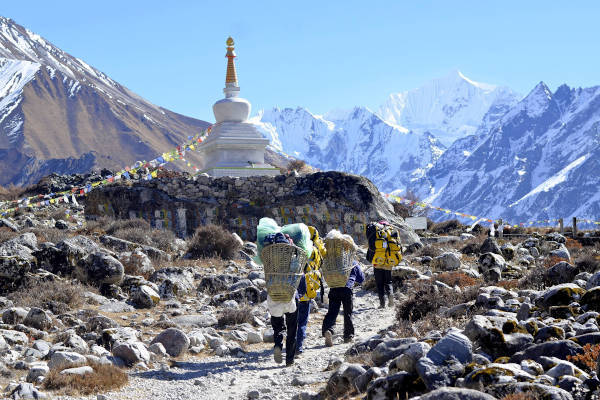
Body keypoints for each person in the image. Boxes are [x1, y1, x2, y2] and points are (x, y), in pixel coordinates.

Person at [295, 226, 325, 356]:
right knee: (302, 321)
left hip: (293, 292)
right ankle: (299, 346)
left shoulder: (294, 249)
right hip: (307, 291)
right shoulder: (314, 250)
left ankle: (291, 344)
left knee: (292, 321)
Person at [322, 260, 364, 346]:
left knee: (332, 312)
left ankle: (328, 330)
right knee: (347, 313)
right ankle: (348, 336)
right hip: (347, 289)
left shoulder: (333, 261)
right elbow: (361, 279)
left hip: (334, 288)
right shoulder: (353, 262)